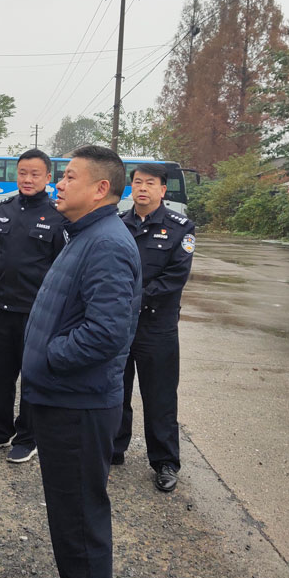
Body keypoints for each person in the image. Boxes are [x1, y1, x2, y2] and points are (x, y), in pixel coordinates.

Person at [21, 145, 141, 578]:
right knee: (70, 510)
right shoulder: (86, 234)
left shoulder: (107, 243)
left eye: (69, 176)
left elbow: (105, 333)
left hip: (78, 403)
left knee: (80, 512)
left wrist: (48, 358)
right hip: (67, 398)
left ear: (100, 189)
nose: (59, 183)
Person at [0, 149, 66, 463]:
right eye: (22, 172)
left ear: (48, 178)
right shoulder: (4, 210)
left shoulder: (58, 216)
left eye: (35, 174)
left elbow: (62, 267)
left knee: (33, 375)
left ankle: (28, 437)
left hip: (38, 313)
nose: (27, 179)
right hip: (5, 308)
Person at [112, 163, 195, 492]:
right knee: (116, 389)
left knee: (159, 395)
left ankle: (164, 461)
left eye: (150, 183)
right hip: (120, 325)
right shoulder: (118, 225)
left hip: (156, 327)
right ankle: (113, 449)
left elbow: (175, 278)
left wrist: (134, 299)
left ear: (163, 190)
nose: (142, 188)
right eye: (137, 182)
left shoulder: (180, 228)